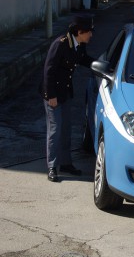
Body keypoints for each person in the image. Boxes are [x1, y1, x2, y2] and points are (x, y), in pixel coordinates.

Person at [39, 14, 95, 182]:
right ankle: (52, 167)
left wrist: (100, 64)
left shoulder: (79, 44)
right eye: (89, 32)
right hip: (53, 94)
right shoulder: (61, 44)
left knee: (66, 129)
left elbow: (83, 59)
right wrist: (51, 96)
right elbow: (49, 71)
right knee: (55, 130)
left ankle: (65, 163)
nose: (91, 35)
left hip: (65, 92)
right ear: (80, 32)